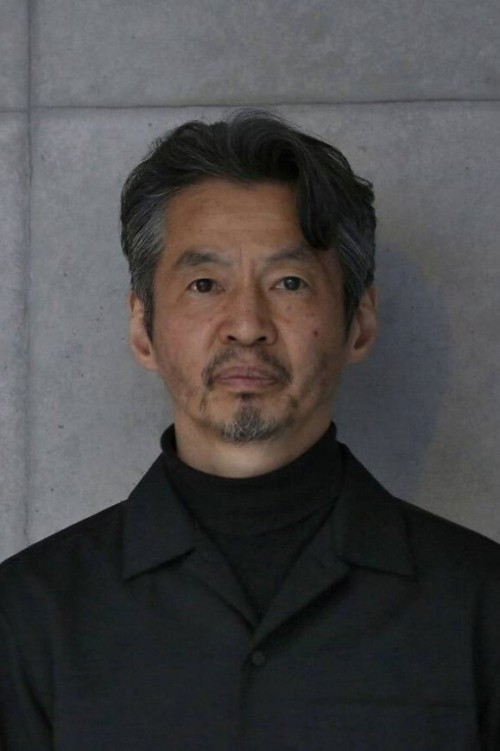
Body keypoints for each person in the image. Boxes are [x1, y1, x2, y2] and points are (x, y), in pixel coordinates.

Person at [0, 109, 499, 750]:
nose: (246, 325)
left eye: (289, 282)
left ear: (360, 322)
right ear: (143, 330)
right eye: (204, 284)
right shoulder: (29, 615)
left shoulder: (480, 605)